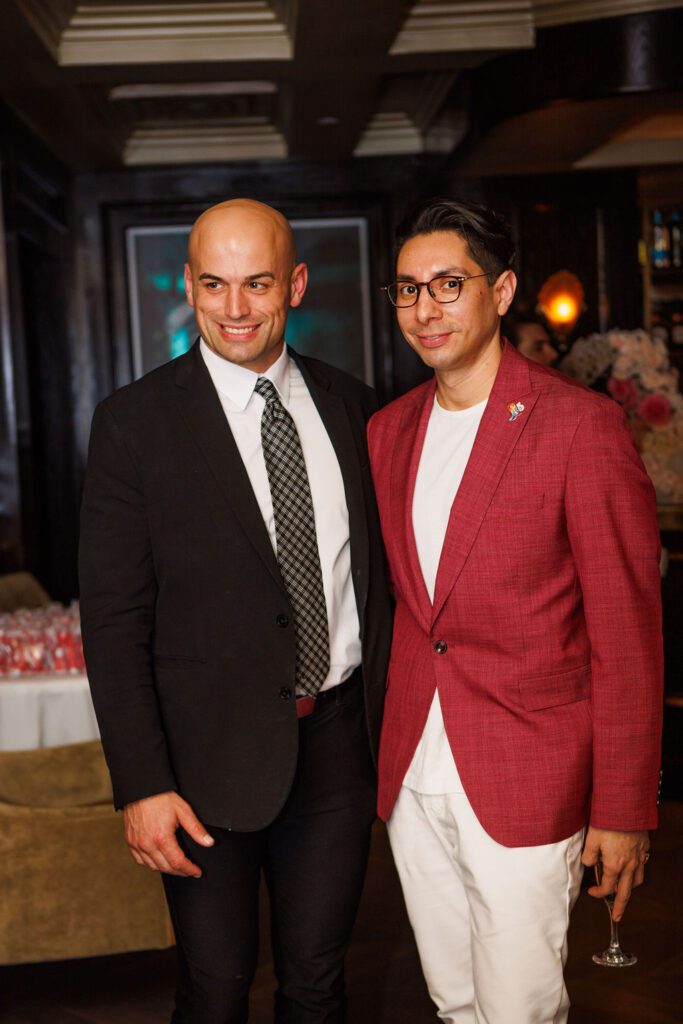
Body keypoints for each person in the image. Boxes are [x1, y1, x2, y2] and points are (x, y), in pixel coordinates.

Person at [79, 198, 392, 1024]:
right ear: (188, 285)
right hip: (202, 763)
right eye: (214, 284)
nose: (235, 307)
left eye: (257, 283)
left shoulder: (357, 409)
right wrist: (142, 784)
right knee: (215, 992)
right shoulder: (133, 424)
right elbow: (112, 624)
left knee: (317, 986)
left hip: (337, 748)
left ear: (295, 284)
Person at [368, 197, 663, 1024]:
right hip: (413, 770)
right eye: (407, 290)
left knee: (517, 1011)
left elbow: (627, 637)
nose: (424, 309)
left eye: (447, 284)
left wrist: (622, 809)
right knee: (452, 1002)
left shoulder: (579, 426)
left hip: (528, 770)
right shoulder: (387, 432)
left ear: (499, 292)